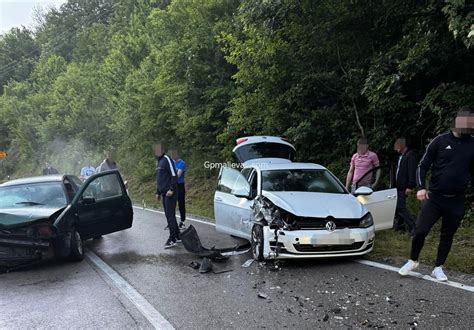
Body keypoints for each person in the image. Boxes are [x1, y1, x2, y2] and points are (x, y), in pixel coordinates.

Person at [399, 107, 474, 281]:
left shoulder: (472, 144)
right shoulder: (440, 141)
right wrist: (421, 187)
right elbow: (422, 165)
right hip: (435, 198)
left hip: (457, 200)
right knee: (420, 231)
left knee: (447, 235)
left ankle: (438, 267)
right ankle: (413, 260)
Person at [154, 143, 180, 249]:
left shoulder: (166, 159)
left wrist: (172, 189)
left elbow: (174, 175)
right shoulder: (159, 162)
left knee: (170, 216)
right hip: (164, 193)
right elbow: (160, 179)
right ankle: (177, 236)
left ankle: (172, 238)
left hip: (170, 193)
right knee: (168, 215)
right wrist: (158, 192)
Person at [393, 138, 417, 235]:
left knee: (400, 207)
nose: (396, 148)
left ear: (403, 145)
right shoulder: (402, 156)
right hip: (398, 186)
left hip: (405, 187)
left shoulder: (410, 155)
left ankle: (413, 227)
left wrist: (410, 186)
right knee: (398, 206)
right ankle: (400, 226)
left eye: (397, 145)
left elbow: (412, 172)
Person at [171, 149, 186, 229]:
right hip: (172, 185)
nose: (172, 156)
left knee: (181, 204)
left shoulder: (182, 163)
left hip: (179, 185)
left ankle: (182, 221)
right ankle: (172, 222)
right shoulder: (172, 163)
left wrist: (170, 177)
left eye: (174, 155)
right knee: (171, 204)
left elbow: (178, 175)